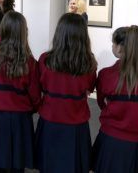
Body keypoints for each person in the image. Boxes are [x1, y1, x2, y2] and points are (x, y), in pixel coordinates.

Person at [35, 13, 97, 173]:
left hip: (50, 120)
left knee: (48, 165)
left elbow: (41, 85)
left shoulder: (45, 60)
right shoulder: (89, 63)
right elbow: (89, 88)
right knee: (73, 166)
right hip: (76, 123)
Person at [92, 26, 138, 173]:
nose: (112, 46)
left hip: (109, 140)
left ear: (121, 47)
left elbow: (101, 103)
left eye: (114, 43)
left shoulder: (105, 75)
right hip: (136, 144)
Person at [0, 11, 41, 172]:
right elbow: (35, 95)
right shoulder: (29, 62)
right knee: (17, 164)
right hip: (20, 118)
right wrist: (34, 107)